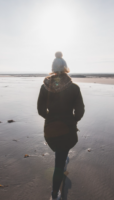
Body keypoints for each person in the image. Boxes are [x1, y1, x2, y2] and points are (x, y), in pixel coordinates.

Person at [37, 51, 85, 200]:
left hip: (51, 129)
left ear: (53, 68)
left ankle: (63, 160)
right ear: (65, 68)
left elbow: (40, 110)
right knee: (59, 161)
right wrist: (73, 120)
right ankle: (54, 194)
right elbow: (80, 111)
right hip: (67, 128)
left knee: (60, 152)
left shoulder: (44, 87)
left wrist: (50, 118)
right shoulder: (74, 88)